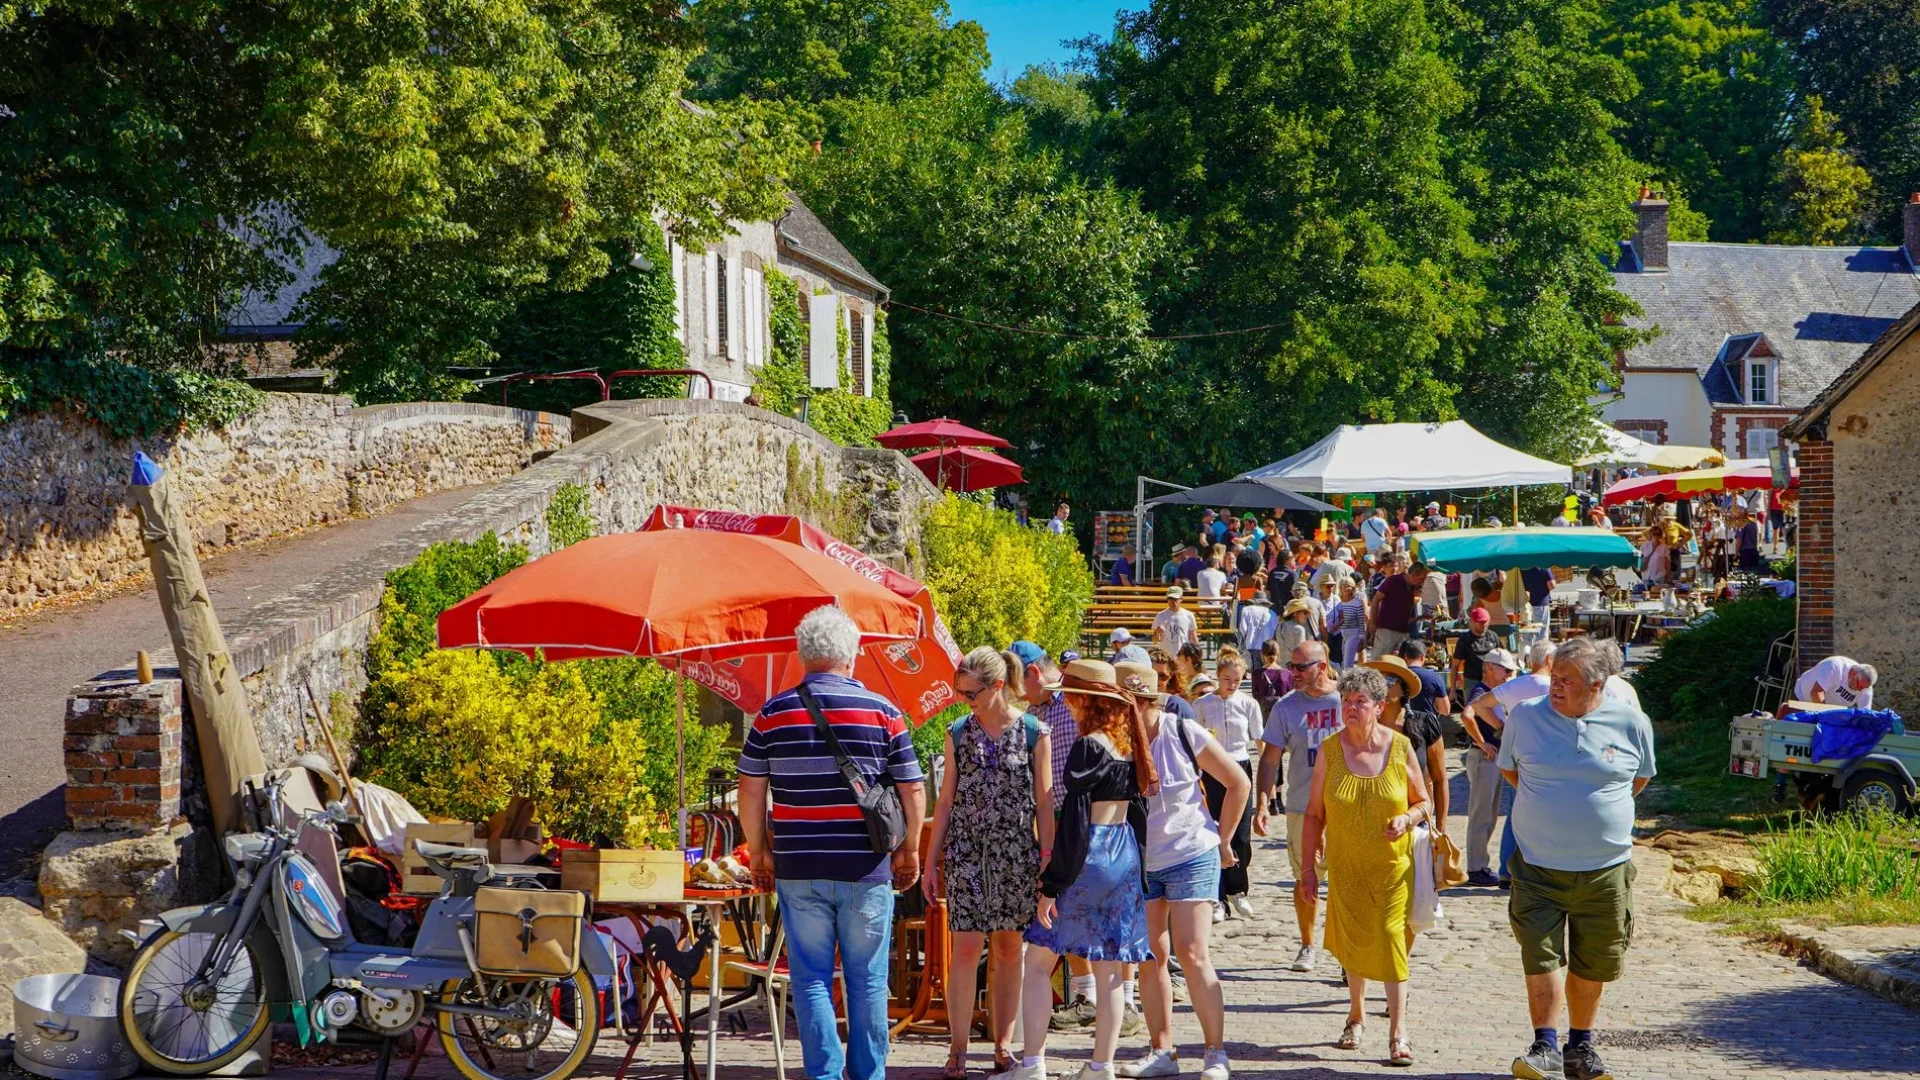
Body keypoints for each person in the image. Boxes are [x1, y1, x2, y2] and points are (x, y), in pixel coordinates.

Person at [737, 606, 927, 1080]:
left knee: (811, 979)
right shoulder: (884, 713)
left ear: (805, 656)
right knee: (866, 980)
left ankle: (823, 1074)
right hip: (866, 868)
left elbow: (750, 789)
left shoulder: (771, 715)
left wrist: (758, 852)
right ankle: (868, 1075)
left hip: (800, 867)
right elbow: (913, 788)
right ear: (851, 656)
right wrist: (910, 850)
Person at [1500, 637, 1656, 1080]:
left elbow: (1638, 778)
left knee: (1595, 960)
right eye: (1554, 676)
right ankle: (1544, 1045)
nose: (1556, 686)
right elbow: (1512, 771)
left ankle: (1580, 1048)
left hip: (1605, 869)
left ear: (1598, 683)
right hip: (1536, 864)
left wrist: (1596, 810)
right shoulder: (1525, 717)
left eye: (1567, 680)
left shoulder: (1631, 722)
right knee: (1540, 953)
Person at [1014, 660, 1158, 1080]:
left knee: (1039, 960)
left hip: (1090, 853)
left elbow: (1076, 822)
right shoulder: (1130, 743)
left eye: (1071, 697)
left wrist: (1051, 885)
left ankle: (1033, 1064)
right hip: (1123, 852)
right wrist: (1139, 872)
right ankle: (1102, 1065)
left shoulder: (1088, 746)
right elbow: (1140, 813)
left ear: (1083, 700)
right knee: (1110, 966)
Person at [1112, 661, 1247, 1080]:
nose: (1123, 711)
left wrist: (1224, 840)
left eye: (1129, 702)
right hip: (1142, 858)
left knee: (1191, 952)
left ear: (1147, 701)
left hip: (1192, 850)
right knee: (1151, 957)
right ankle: (1162, 1051)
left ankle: (1215, 1051)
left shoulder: (1180, 730)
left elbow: (1238, 781)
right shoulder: (1116, 741)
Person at [1296, 666, 1432, 1068]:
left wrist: (1406, 819)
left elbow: (1424, 803)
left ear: (1379, 705)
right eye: (1345, 701)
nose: (1350, 708)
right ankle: (1355, 1016)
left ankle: (1398, 1031)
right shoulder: (1330, 750)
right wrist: (1308, 870)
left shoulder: (1401, 747)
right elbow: (1314, 813)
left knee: (1391, 938)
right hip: (1346, 867)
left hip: (1392, 867)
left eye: (1359, 702)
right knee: (1353, 944)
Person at [926, 647, 1052, 1079]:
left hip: (1016, 855)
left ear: (997, 686)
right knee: (964, 948)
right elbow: (944, 802)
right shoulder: (958, 732)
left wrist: (1047, 859)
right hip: (966, 854)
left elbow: (1045, 803)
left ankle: (1003, 1045)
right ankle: (957, 1048)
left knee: (1008, 948)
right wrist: (931, 861)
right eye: (960, 692)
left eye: (970, 692)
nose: (965, 700)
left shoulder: (1035, 732)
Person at [1254, 640, 1342, 972]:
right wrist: (1262, 802)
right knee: (1306, 878)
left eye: (1300, 667)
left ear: (1321, 666)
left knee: (1347, 880)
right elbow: (1268, 760)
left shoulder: (1347, 699)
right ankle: (1308, 944)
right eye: (1291, 667)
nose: (1293, 673)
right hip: (1302, 808)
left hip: (1346, 805)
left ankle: (1346, 949)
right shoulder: (1286, 708)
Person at [1466, 642, 1555, 887]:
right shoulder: (1552, 687)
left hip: (1513, 756)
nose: (1508, 674)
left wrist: (1505, 731)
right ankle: (1486, 868)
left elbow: (1477, 707)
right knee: (1488, 813)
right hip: (1535, 757)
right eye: (1505, 670)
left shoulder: (1511, 687)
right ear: (1548, 660)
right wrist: (1490, 737)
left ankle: (1506, 868)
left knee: (1509, 812)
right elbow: (1469, 711)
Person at [1194, 647, 1261, 918]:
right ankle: (1217, 896)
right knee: (1213, 832)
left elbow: (1259, 739)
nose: (1231, 685)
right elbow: (1195, 741)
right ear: (1217, 677)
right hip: (1211, 769)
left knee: (1241, 835)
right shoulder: (1202, 704)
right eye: (1226, 679)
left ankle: (1238, 889)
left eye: (1236, 679)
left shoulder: (1248, 704)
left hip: (1240, 765)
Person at [1366, 655, 1448, 845]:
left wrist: (1440, 829)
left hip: (1416, 824)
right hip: (1373, 824)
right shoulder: (1364, 728)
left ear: (1404, 689)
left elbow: (1440, 778)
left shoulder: (1425, 723)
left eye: (1387, 681)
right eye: (1374, 682)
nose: (1380, 688)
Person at [1459, 645, 1517, 886]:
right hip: (1484, 759)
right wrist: (1482, 743)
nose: (1509, 676)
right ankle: (1475, 868)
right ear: (1490, 669)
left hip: (1492, 759)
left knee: (1490, 815)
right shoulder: (1481, 691)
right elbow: (1466, 715)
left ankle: (1480, 864)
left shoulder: (1492, 692)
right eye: (1505, 671)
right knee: (1481, 814)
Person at [1369, 560, 1427, 662]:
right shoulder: (1393, 581)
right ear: (1414, 575)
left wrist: (1421, 617)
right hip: (1387, 631)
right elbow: (1376, 600)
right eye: (1421, 579)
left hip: (1403, 633)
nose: (1422, 581)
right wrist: (1373, 623)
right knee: (1380, 662)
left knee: (1401, 664)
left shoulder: (1412, 588)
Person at [1451, 606, 1502, 699]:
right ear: (1472, 622)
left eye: (1485, 622)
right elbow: (1455, 665)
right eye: (1480, 622)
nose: (1483, 625)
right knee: (1472, 710)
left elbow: (1504, 657)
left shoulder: (1493, 636)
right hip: (1472, 681)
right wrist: (1453, 691)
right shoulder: (1465, 639)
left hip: (1492, 681)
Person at [1396, 639, 1452, 722]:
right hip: (1426, 727)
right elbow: (1445, 710)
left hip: (1399, 726)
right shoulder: (1434, 677)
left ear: (1405, 657)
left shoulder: (1394, 676)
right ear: (1422, 657)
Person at [1794, 656, 1879, 709]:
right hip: (1801, 698)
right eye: (1859, 686)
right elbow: (1816, 693)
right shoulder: (1835, 667)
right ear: (1853, 673)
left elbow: (1864, 714)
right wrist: (1825, 717)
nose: (1860, 690)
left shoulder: (1865, 688)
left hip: (1826, 712)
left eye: (1864, 688)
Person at [1330, 580, 1368, 668]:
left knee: (1348, 662)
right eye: (1342, 586)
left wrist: (1362, 638)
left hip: (1354, 634)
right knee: (1343, 661)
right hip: (1342, 634)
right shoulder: (1339, 602)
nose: (1345, 589)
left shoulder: (1357, 602)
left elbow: (1361, 621)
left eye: (1347, 586)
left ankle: (1347, 680)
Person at [1152, 587, 1199, 657]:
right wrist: (1158, 632)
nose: (1172, 601)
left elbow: (1193, 636)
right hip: (1166, 655)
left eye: (1175, 599)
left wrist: (1197, 653)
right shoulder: (1160, 615)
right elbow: (1155, 640)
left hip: (1183, 655)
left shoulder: (1188, 615)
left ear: (1181, 599)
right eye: (1170, 599)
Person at [1252, 638, 1290, 718]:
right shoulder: (1287, 674)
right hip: (1283, 717)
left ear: (1262, 654)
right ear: (1278, 653)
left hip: (1263, 716)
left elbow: (1255, 696)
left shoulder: (1257, 674)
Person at [1236, 591, 1277, 656]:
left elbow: (1243, 629)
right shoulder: (1272, 613)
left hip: (1250, 647)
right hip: (1267, 649)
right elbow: (1275, 633)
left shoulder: (1246, 610)